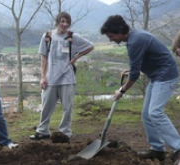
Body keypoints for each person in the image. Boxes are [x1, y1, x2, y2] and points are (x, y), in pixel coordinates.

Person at [101, 15, 180, 163]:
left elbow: (135, 75)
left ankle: (178, 148)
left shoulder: (135, 41)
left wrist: (122, 91)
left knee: (155, 112)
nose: (111, 40)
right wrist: (131, 71)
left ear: (119, 31)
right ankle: (157, 149)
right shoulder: (134, 37)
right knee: (146, 114)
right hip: (157, 76)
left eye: (111, 36)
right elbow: (140, 65)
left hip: (166, 76)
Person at [30, 12, 94, 141]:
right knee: (46, 105)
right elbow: (43, 56)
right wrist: (43, 76)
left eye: (67, 22)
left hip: (67, 77)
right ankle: (42, 131)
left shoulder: (72, 37)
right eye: (62, 21)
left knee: (67, 107)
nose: (65, 25)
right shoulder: (47, 36)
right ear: (58, 21)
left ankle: (65, 132)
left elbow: (90, 46)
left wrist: (76, 57)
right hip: (51, 77)